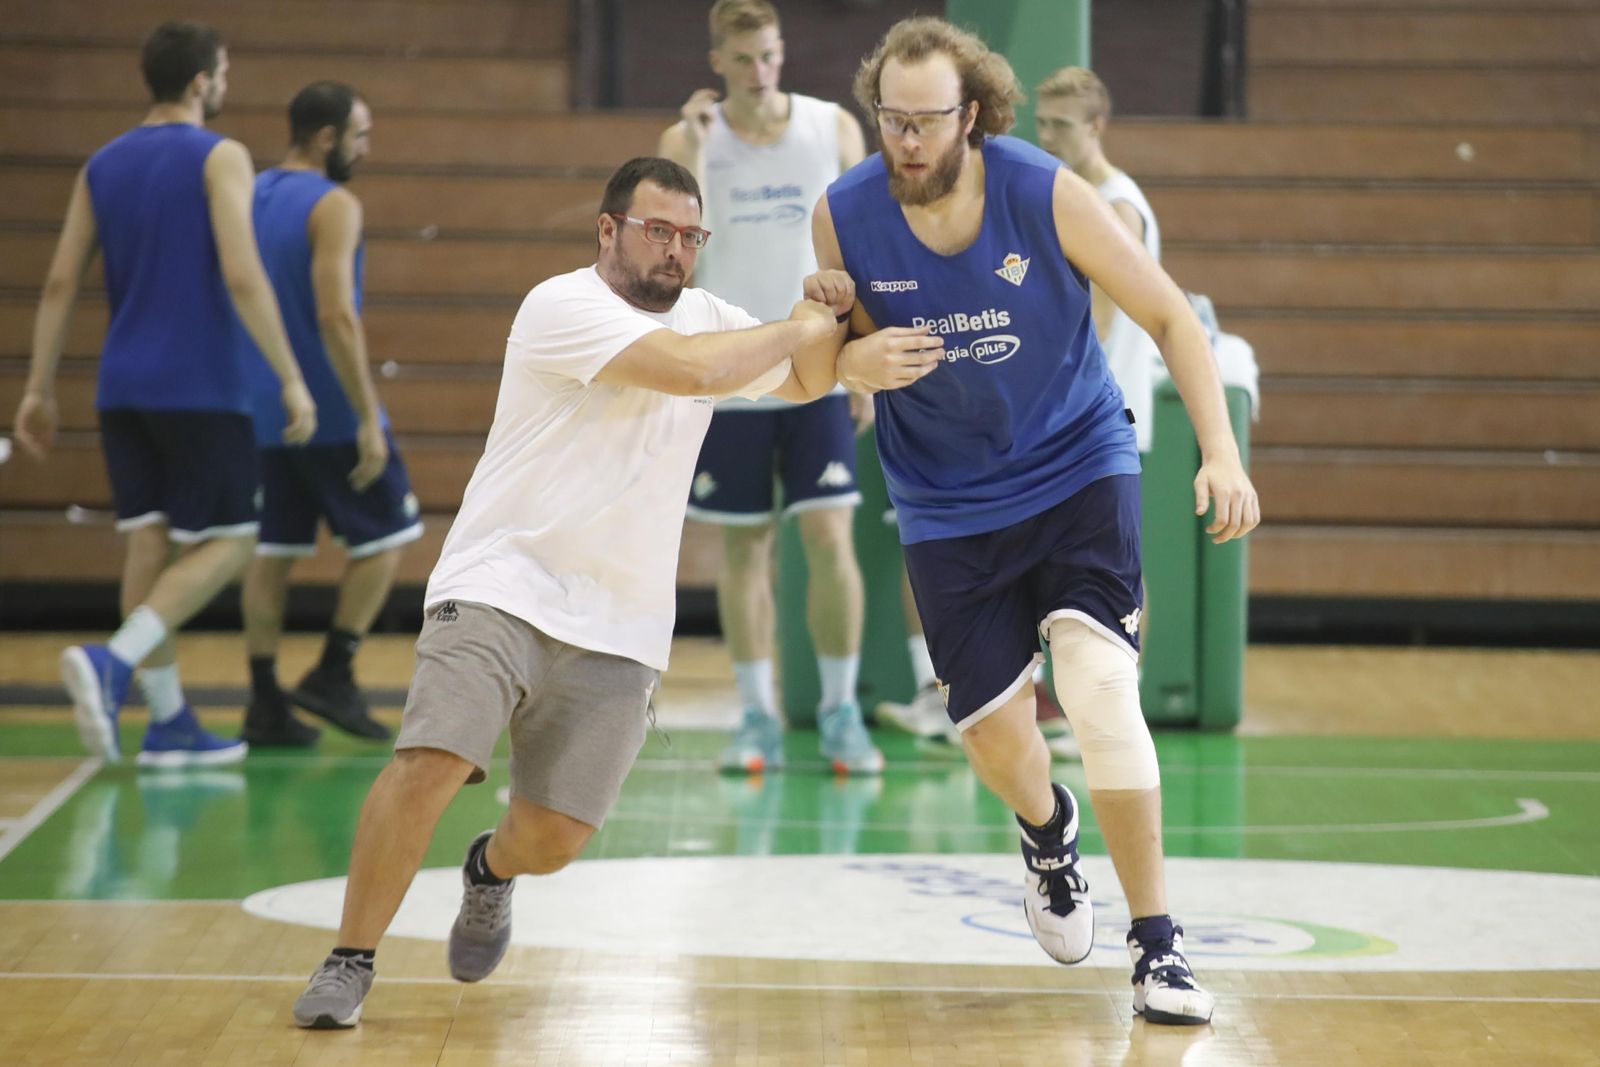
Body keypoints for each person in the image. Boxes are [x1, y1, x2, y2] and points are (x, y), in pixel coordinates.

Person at [290, 157, 894, 1029]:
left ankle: (491, 871)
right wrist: (806, 321)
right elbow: (694, 372)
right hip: (501, 580)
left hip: (621, 619)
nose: (676, 250)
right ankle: (350, 958)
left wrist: (833, 328)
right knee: (433, 758)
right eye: (659, 230)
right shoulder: (560, 304)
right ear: (608, 230)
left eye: (692, 236)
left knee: (554, 838)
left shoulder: (714, 318)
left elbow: (802, 381)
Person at [814, 17, 1259, 1025]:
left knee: (1098, 685)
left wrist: (1222, 452)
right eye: (891, 119)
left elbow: (1170, 316)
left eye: (928, 120)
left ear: (970, 116)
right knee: (996, 740)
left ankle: (1158, 945)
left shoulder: (1044, 192)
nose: (908, 139)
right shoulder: (841, 215)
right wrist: (846, 359)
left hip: (1073, 463)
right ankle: (1048, 831)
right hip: (943, 500)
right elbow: (820, 353)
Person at [12, 20, 316, 767]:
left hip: (122, 386)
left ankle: (171, 719)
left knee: (150, 537)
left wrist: (38, 387)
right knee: (234, 537)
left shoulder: (102, 163)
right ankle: (115, 661)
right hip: (200, 382)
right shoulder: (222, 155)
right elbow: (244, 274)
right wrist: (290, 374)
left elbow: (58, 282)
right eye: (223, 72)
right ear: (202, 82)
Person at [658, 0, 880, 775]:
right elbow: (673, 259)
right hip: (731, 374)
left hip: (817, 368)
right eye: (744, 59)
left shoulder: (831, 128)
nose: (760, 72)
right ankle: (755, 715)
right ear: (717, 60)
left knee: (829, 537)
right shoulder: (690, 141)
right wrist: (689, 147)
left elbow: (865, 249)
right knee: (744, 548)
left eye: (770, 56)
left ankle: (841, 712)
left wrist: (863, 362)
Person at [239, 81, 422, 748]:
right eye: (360, 135)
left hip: (260, 404)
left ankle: (263, 700)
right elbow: (336, 315)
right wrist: (368, 413)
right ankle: (333, 671)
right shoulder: (334, 204)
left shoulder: (249, 194)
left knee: (274, 550)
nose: (366, 147)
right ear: (327, 137)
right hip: (329, 407)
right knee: (388, 537)